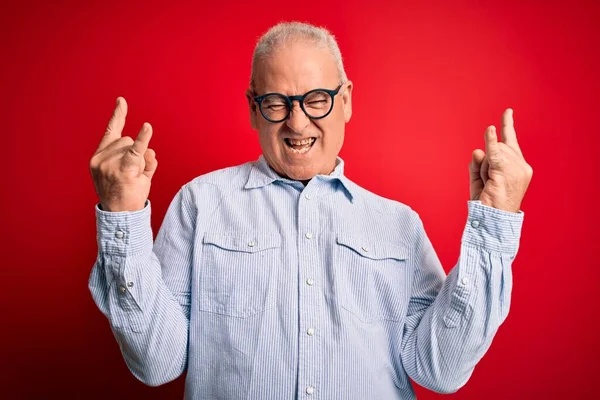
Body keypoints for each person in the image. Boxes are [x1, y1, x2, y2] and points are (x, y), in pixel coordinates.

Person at [88, 22, 532, 399]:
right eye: (277, 103)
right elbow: (156, 362)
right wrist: (122, 216)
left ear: (346, 99)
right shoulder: (200, 204)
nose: (297, 123)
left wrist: (493, 227)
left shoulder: (398, 225)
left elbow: (443, 369)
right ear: (253, 109)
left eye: (316, 99)